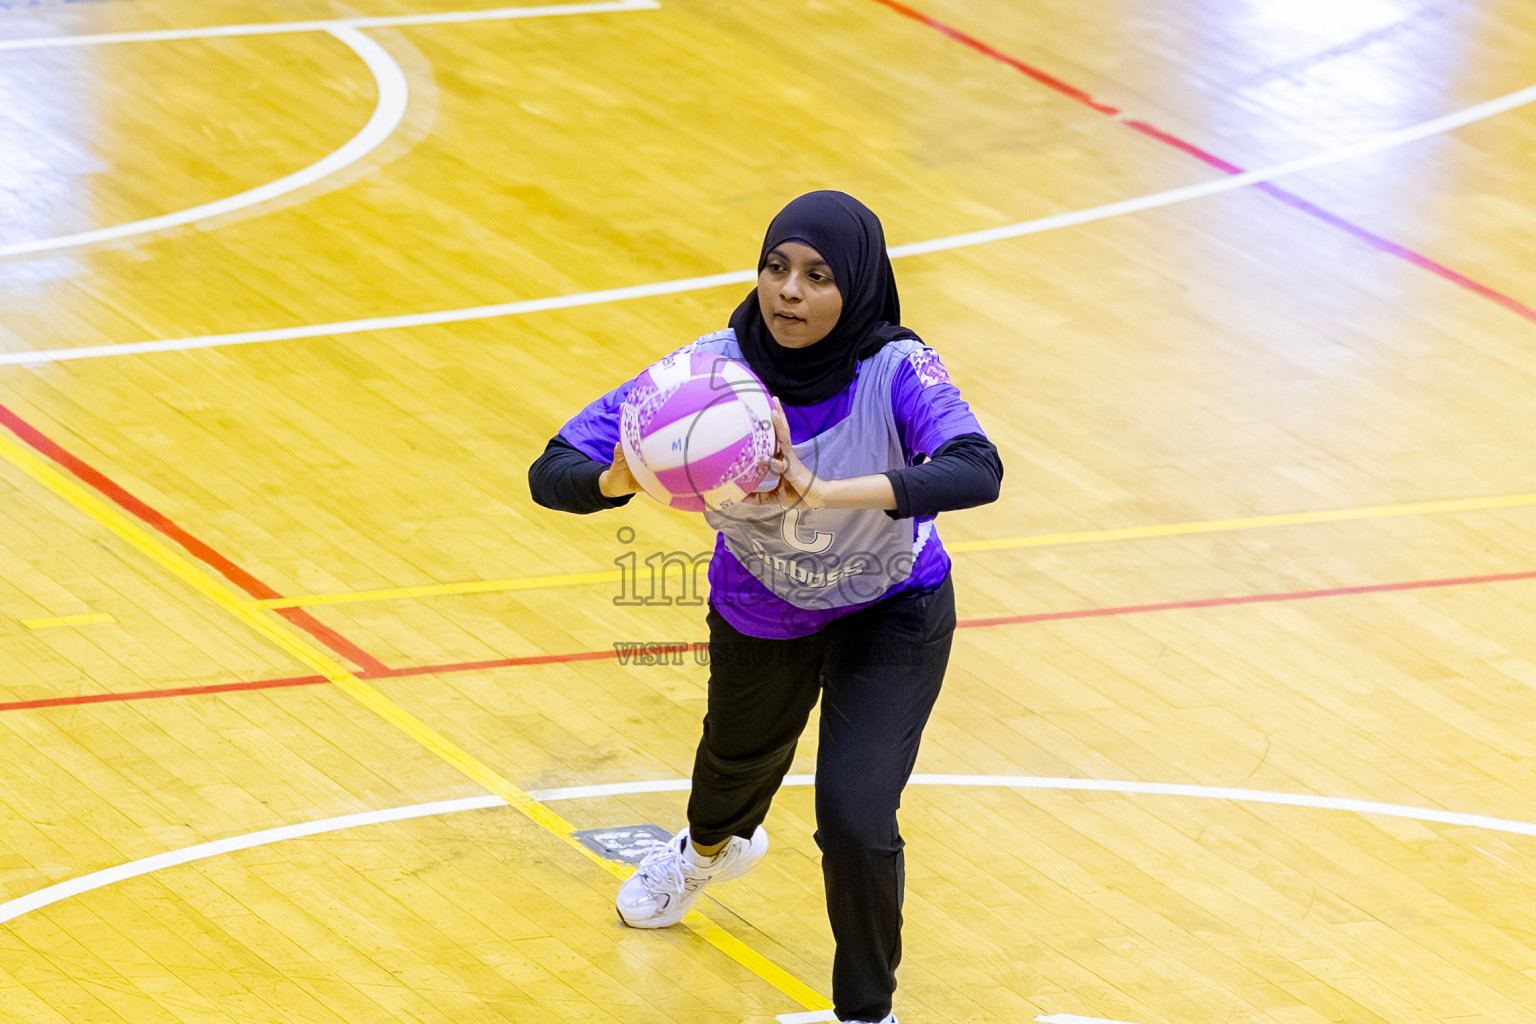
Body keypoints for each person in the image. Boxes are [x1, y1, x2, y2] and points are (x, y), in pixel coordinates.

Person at [528, 191, 1002, 1024]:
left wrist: (826, 490)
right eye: (776, 267)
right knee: (728, 782)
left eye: (818, 276)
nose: (789, 291)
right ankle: (706, 854)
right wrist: (618, 476)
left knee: (855, 817)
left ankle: (867, 1013)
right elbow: (551, 468)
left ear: (856, 288)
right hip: (762, 604)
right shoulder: (702, 378)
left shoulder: (895, 367)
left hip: (893, 607)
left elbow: (976, 468)